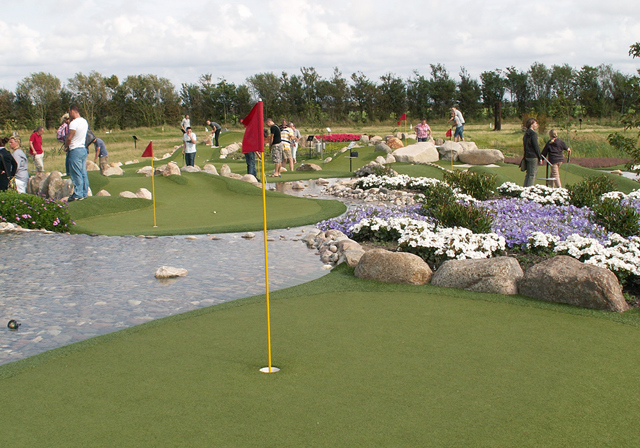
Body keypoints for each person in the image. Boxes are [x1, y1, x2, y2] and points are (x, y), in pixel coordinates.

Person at [65, 105, 90, 201]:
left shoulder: (74, 123)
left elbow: (70, 137)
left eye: (69, 112)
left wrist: (66, 145)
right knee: (83, 172)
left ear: (72, 111)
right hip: (83, 148)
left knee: (76, 172)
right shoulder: (84, 121)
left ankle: (78, 194)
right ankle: (84, 193)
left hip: (75, 149)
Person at [522, 117, 542, 187]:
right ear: (532, 124)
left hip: (527, 155)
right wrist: (540, 157)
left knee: (528, 174)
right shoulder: (533, 134)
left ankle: (524, 188)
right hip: (533, 156)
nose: (537, 125)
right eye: (535, 123)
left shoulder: (526, 133)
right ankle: (528, 190)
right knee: (532, 174)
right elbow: (536, 146)